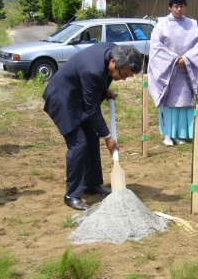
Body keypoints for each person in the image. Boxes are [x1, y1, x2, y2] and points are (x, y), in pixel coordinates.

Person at [42, 43, 144, 211]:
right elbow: (92, 108)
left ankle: (92, 184)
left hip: (79, 95)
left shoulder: (115, 51)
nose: (124, 79)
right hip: (62, 99)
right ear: (113, 63)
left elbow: (101, 81)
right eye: (124, 74)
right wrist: (108, 137)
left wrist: (104, 90)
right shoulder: (93, 70)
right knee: (78, 144)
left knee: (91, 138)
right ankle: (72, 195)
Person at [148, 0, 198, 146]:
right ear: (170, 7)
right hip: (168, 70)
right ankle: (168, 135)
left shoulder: (192, 25)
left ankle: (180, 134)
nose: (179, 9)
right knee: (168, 104)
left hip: (187, 71)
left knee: (183, 104)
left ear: (185, 6)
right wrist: (174, 59)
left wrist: (187, 58)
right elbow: (156, 47)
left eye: (182, 6)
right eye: (176, 6)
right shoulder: (161, 25)